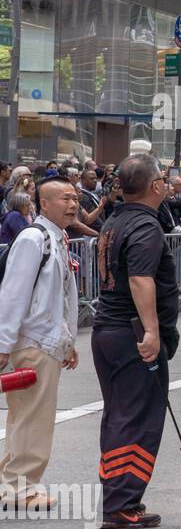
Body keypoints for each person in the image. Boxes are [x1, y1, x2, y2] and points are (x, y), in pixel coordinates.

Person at [92, 154, 179, 529]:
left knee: (119, 415)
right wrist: (151, 331)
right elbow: (140, 279)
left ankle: (117, 492)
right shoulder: (144, 225)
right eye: (163, 178)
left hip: (108, 330)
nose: (167, 183)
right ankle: (120, 501)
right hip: (131, 333)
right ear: (155, 186)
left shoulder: (114, 221)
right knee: (137, 418)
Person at [0, 176, 80, 510]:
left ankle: (11, 481)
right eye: (65, 198)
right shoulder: (34, 238)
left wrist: (68, 341)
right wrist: (4, 343)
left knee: (25, 415)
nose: (73, 203)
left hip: (46, 340)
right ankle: (21, 488)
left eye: (75, 197)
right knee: (34, 418)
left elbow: (63, 297)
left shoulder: (56, 237)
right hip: (33, 341)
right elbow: (13, 292)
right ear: (43, 203)